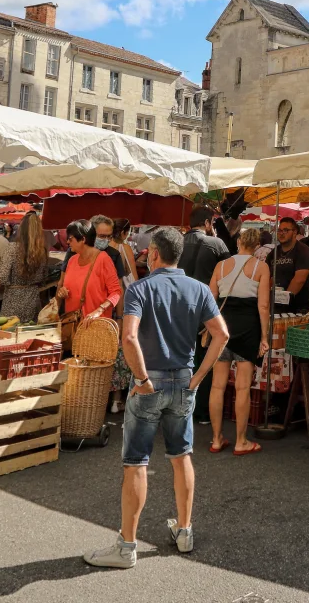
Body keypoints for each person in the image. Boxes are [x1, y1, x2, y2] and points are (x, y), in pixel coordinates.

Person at [83, 226, 229, 570]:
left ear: (153, 254)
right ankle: (184, 531)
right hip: (183, 380)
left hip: (150, 382)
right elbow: (221, 334)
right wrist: (199, 376)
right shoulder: (198, 289)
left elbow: (129, 338)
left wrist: (143, 379)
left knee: (136, 462)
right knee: (182, 456)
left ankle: (127, 546)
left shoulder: (141, 290)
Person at [208, 227, 270, 456]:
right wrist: (264, 336)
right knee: (243, 387)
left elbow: (210, 298)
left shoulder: (220, 266)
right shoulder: (261, 267)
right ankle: (241, 441)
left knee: (217, 385)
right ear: (257, 248)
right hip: (248, 328)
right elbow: (263, 306)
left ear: (238, 243)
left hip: (223, 327)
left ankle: (216, 439)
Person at [179, 206, 231, 424]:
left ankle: (177, 408)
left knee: (180, 358)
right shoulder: (216, 243)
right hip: (205, 310)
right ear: (208, 223)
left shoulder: (177, 242)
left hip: (178, 307)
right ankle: (201, 412)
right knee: (205, 360)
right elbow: (231, 270)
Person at [0, 212, 51, 323]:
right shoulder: (43, 251)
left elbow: (2, 276)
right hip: (33, 300)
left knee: (10, 333)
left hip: (13, 300)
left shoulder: (12, 248)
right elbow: (44, 278)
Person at [56, 220, 121, 326]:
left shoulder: (103, 259)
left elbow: (116, 292)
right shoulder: (72, 261)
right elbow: (67, 288)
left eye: (70, 239)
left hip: (96, 327)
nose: (67, 242)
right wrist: (62, 292)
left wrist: (99, 310)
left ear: (82, 239)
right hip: (72, 326)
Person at [109, 218, 140, 414]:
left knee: (108, 349)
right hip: (123, 304)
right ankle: (117, 400)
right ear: (124, 233)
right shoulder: (124, 249)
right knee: (122, 351)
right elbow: (134, 280)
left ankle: (104, 397)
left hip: (106, 303)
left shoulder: (101, 249)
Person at [274, 217, 309, 312]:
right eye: (279, 230)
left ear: (295, 232)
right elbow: (269, 277)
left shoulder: (303, 251)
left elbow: (299, 280)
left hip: (300, 309)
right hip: (277, 306)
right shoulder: (273, 253)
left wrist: (282, 302)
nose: (281, 233)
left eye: (286, 230)